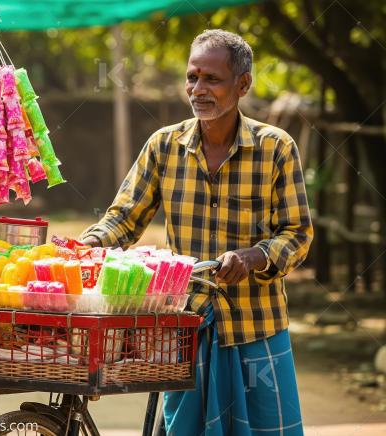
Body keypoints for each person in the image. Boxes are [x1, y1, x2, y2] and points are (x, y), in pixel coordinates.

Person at [81, 30, 313, 435]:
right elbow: (124, 219)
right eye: (192, 77)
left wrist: (253, 257)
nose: (197, 89)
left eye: (212, 79)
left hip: (256, 326)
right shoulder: (163, 146)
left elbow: (297, 233)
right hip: (186, 327)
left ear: (242, 84)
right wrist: (87, 245)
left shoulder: (276, 147)